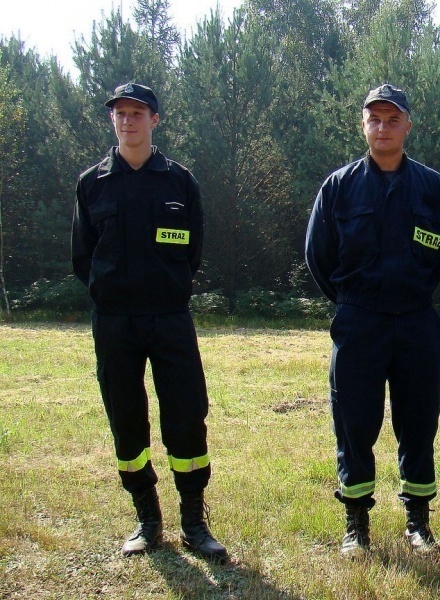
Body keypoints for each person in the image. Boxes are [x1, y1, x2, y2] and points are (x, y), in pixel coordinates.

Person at [72, 83, 227, 562]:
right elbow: (83, 257)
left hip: (169, 318)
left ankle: (194, 522)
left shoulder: (179, 182)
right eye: (119, 112)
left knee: (185, 415)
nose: (127, 120)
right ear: (112, 120)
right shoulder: (92, 183)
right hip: (115, 321)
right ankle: (147, 518)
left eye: (137, 112)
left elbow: (192, 253)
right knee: (126, 418)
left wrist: (163, 288)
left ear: (154, 120)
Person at [305, 83, 440, 558]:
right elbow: (318, 256)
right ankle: (357, 523)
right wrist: (353, 302)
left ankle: (418, 522)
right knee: (354, 423)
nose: (383, 127)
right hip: (359, 323)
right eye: (375, 119)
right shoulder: (339, 186)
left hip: (415, 322)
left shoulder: (432, 187)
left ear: (408, 125)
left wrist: (409, 294)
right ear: (363, 125)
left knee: (418, 423)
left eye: (393, 119)